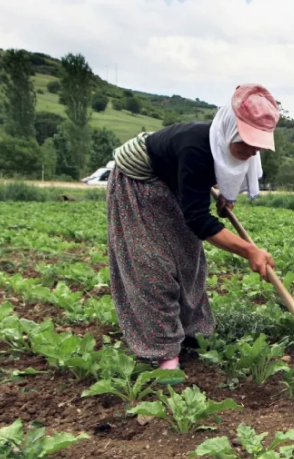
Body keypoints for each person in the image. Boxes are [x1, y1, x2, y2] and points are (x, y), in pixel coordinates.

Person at [105, 84, 279, 370]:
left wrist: (225, 194)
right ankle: (162, 351)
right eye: (245, 143)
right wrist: (249, 250)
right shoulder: (197, 146)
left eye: (257, 145)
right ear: (230, 132)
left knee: (189, 259)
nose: (251, 151)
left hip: (171, 180)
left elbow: (216, 175)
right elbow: (198, 219)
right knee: (152, 264)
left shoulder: (240, 150)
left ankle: (191, 333)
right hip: (138, 181)